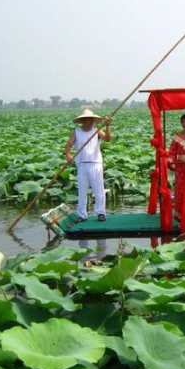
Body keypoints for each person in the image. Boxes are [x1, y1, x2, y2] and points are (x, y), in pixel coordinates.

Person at [64, 108, 111, 259]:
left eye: (91, 119)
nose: (88, 122)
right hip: (82, 164)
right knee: (82, 191)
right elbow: (68, 146)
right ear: (82, 121)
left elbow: (108, 139)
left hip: (96, 163)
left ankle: (101, 213)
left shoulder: (97, 131)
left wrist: (108, 126)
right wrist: (68, 155)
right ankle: (82, 215)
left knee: (99, 190)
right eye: (86, 119)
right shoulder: (76, 132)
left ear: (93, 120)